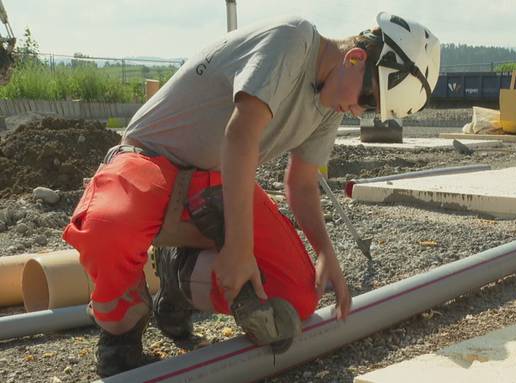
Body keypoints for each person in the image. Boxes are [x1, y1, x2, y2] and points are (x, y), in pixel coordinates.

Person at [62, 12, 440, 377]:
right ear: (356, 58)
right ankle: (120, 340)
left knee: (297, 300)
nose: (360, 111)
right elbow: (239, 136)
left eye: (371, 110)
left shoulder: (329, 106)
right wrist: (239, 251)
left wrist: (326, 250)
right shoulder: (293, 39)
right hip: (151, 161)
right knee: (107, 230)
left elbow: (302, 184)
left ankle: (180, 276)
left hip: (214, 183)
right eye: (369, 100)